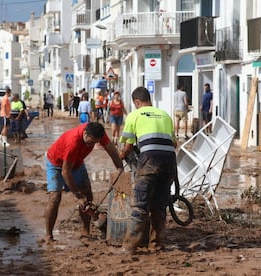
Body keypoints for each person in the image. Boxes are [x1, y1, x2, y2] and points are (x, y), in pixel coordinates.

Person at [119, 86, 177, 253]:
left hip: (149, 160)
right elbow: (174, 144)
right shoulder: (165, 114)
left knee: (140, 204)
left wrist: (122, 155)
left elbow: (128, 146)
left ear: (136, 102)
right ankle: (156, 243)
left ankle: (130, 246)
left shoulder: (134, 115)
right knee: (159, 206)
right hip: (169, 161)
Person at [44, 122, 124, 242]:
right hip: (56, 164)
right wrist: (78, 195)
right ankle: (49, 235)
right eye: (89, 142)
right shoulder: (73, 142)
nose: (91, 145)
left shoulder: (98, 133)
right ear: (85, 133)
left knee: (88, 196)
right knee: (54, 198)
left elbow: (111, 150)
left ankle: (85, 231)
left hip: (77, 163)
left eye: (94, 143)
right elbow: (65, 172)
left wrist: (119, 168)